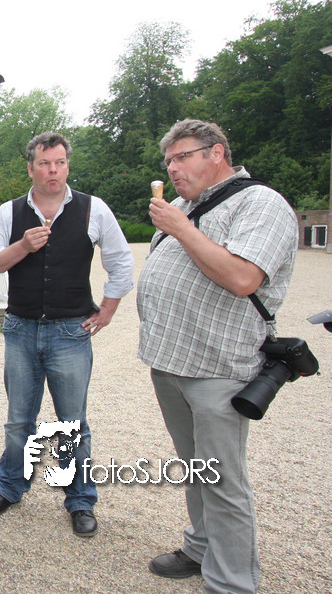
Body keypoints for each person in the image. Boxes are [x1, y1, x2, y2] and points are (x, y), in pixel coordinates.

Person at [138, 119, 297, 594]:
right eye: (168, 160)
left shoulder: (261, 203)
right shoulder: (183, 206)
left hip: (218, 366)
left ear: (216, 153)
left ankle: (231, 583)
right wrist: (179, 222)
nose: (172, 168)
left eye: (182, 157)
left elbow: (243, 278)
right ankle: (201, 547)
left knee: (224, 479)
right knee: (195, 468)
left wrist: (181, 229)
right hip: (171, 362)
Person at [0, 131, 134, 537]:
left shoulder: (92, 208)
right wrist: (22, 247)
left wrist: (108, 309)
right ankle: (11, 486)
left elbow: (121, 262)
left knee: (72, 422)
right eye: (45, 163)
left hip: (70, 332)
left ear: (67, 166)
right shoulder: (10, 211)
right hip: (21, 329)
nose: (53, 171)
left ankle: (80, 498)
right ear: (30, 168)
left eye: (60, 163)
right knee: (18, 421)